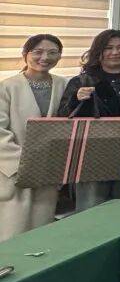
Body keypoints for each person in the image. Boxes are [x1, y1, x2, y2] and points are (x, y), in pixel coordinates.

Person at [59, 29, 120, 212]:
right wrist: (76, 98)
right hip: (93, 154)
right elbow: (63, 118)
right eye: (108, 48)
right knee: (91, 209)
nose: (115, 52)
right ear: (98, 51)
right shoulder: (81, 81)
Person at [0, 35, 66, 241]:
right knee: (12, 231)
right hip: (14, 170)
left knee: (42, 232)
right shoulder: (7, 86)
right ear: (25, 54)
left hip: (49, 170)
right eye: (38, 52)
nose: (45, 57)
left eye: (52, 52)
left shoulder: (64, 85)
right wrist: (24, 160)